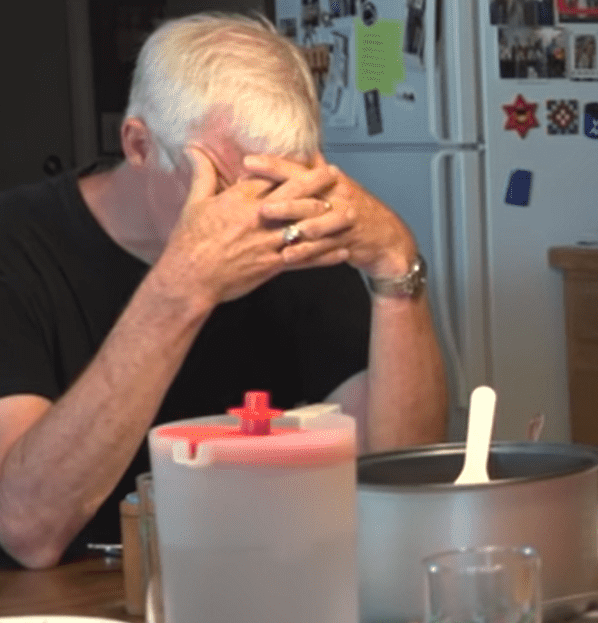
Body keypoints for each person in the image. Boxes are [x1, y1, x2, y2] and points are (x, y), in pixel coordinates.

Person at [0, 13, 447, 570]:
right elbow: (27, 525)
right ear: (138, 145)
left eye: (281, 187)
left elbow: (397, 474)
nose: (259, 220)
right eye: (228, 188)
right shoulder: (18, 245)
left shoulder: (290, 227)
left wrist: (396, 267)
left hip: (267, 587)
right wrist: (181, 287)